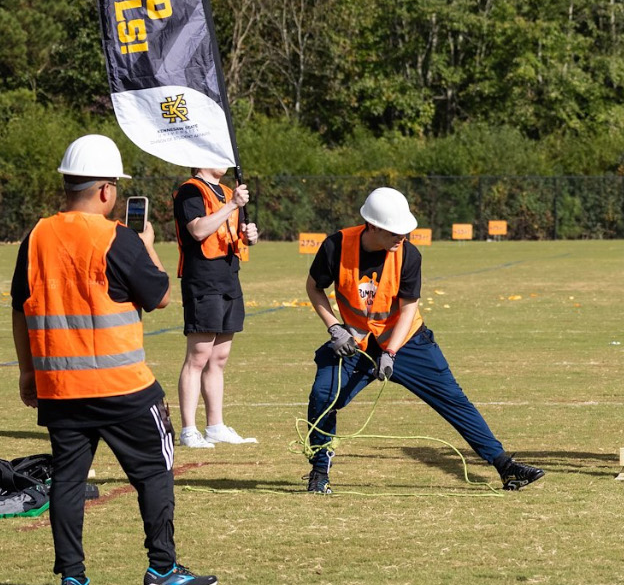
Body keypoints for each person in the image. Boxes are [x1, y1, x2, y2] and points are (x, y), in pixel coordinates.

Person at [10, 134, 219, 585]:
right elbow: (161, 295)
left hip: (61, 389)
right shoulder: (116, 237)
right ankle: (162, 568)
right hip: (123, 388)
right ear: (106, 190)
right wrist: (144, 244)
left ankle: (72, 576)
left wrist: (28, 372)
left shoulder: (36, 236)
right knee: (155, 473)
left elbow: (18, 306)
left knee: (67, 482)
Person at [301, 186, 544, 495]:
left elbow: (408, 308)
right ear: (372, 226)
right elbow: (313, 287)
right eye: (394, 232)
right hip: (355, 342)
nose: (402, 238)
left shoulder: (409, 254)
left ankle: (505, 467)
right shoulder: (336, 246)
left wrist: (390, 351)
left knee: (453, 400)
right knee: (323, 398)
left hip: (407, 341)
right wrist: (335, 328)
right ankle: (319, 471)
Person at [173, 165, 259, 448]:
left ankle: (215, 425)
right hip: (202, 280)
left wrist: (249, 236)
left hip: (228, 278)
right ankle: (189, 430)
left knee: (219, 358)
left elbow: (231, 233)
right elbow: (198, 230)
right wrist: (232, 204)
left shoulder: (224, 191)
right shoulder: (190, 190)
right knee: (198, 356)